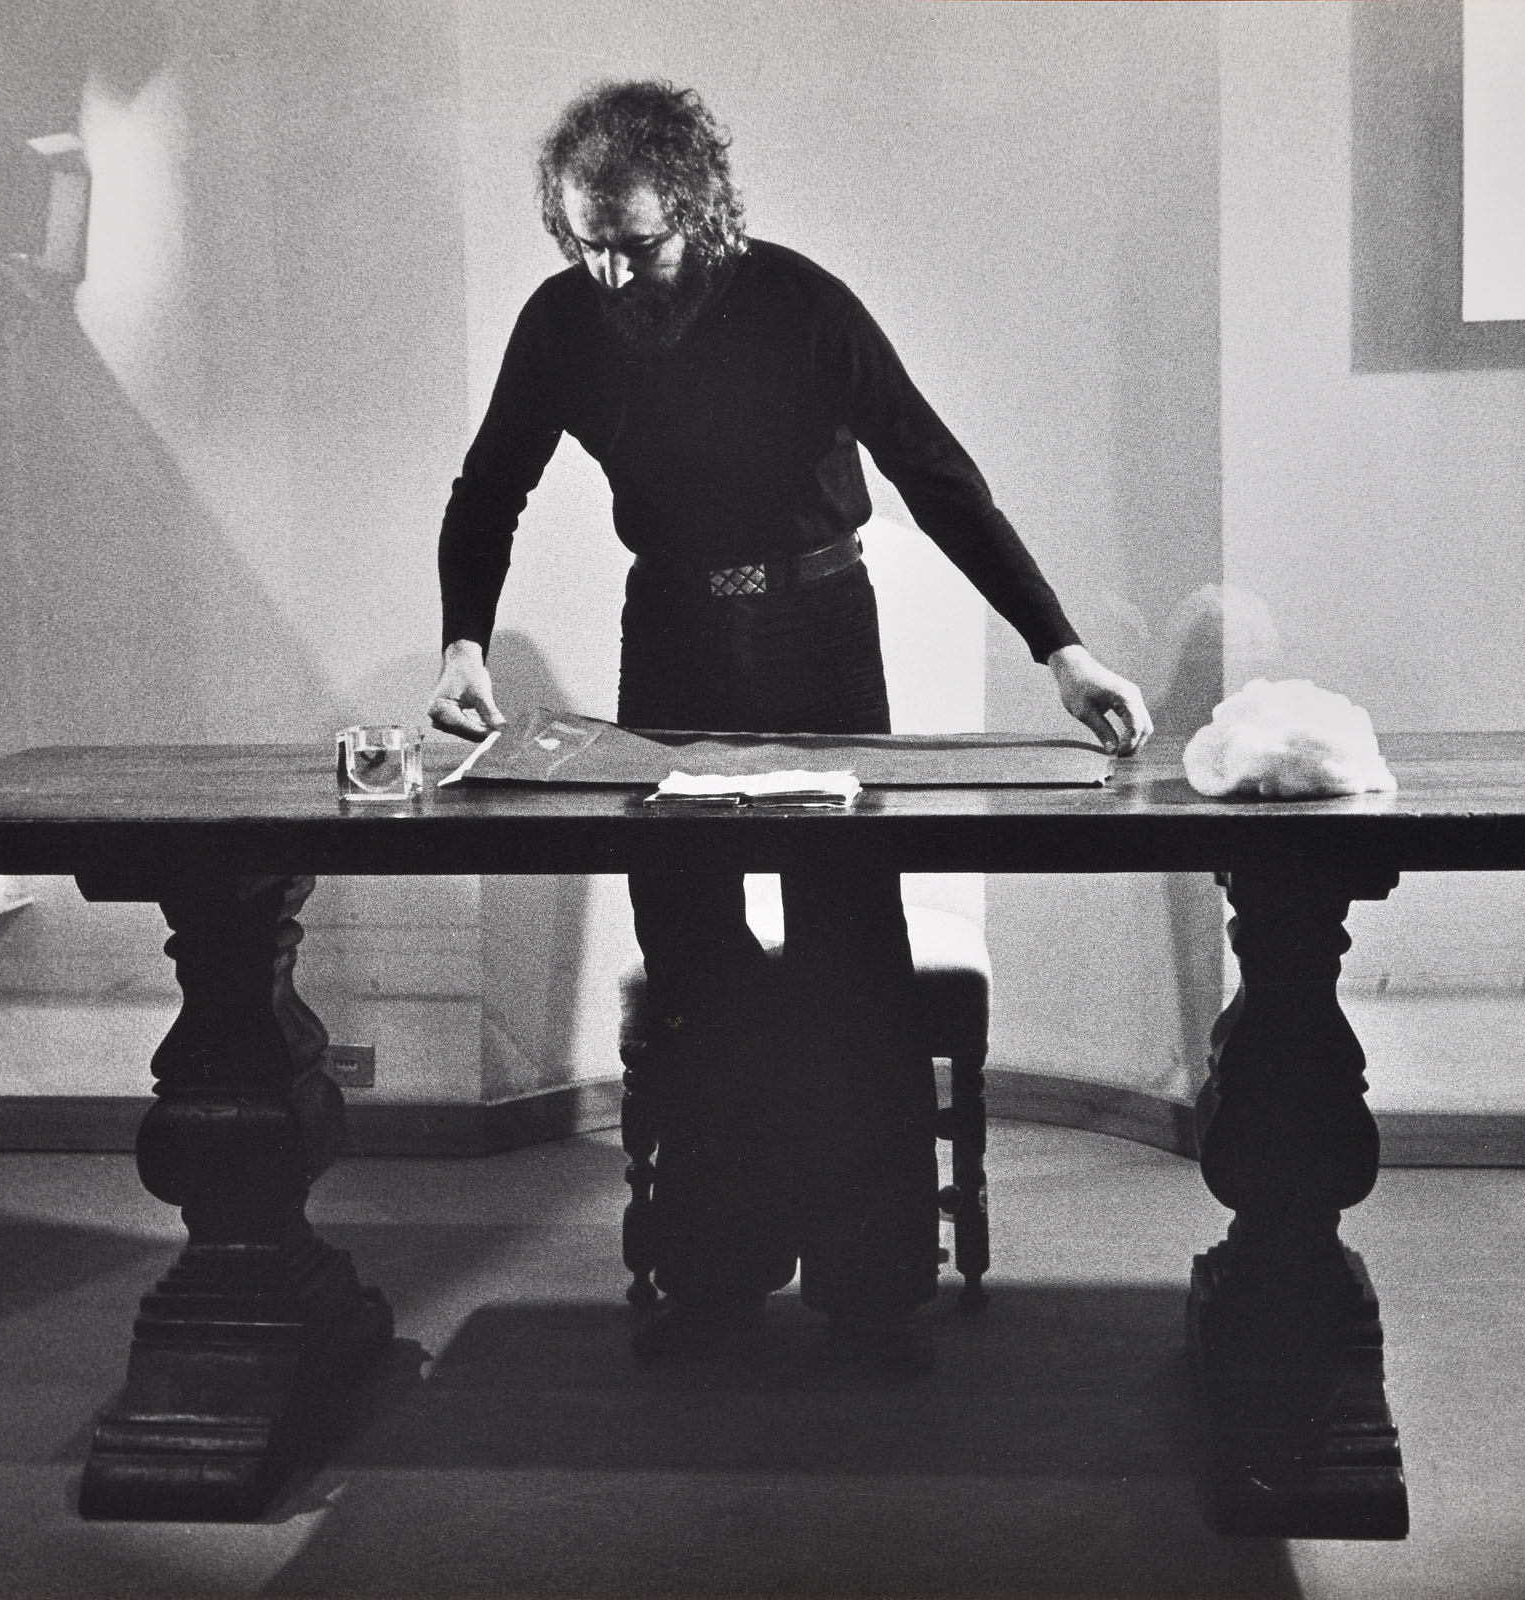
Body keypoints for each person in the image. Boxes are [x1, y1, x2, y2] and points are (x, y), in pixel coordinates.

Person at [428, 80, 1152, 1379]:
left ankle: (872, 1291)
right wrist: (463, 644)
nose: (612, 274)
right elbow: (490, 489)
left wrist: (1063, 650)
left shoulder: (801, 304)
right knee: (691, 944)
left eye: (637, 245)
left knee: (847, 942)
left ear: (698, 210)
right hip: (674, 637)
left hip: (820, 633)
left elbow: (937, 477)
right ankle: (719, 1271)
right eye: (587, 245)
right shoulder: (564, 321)